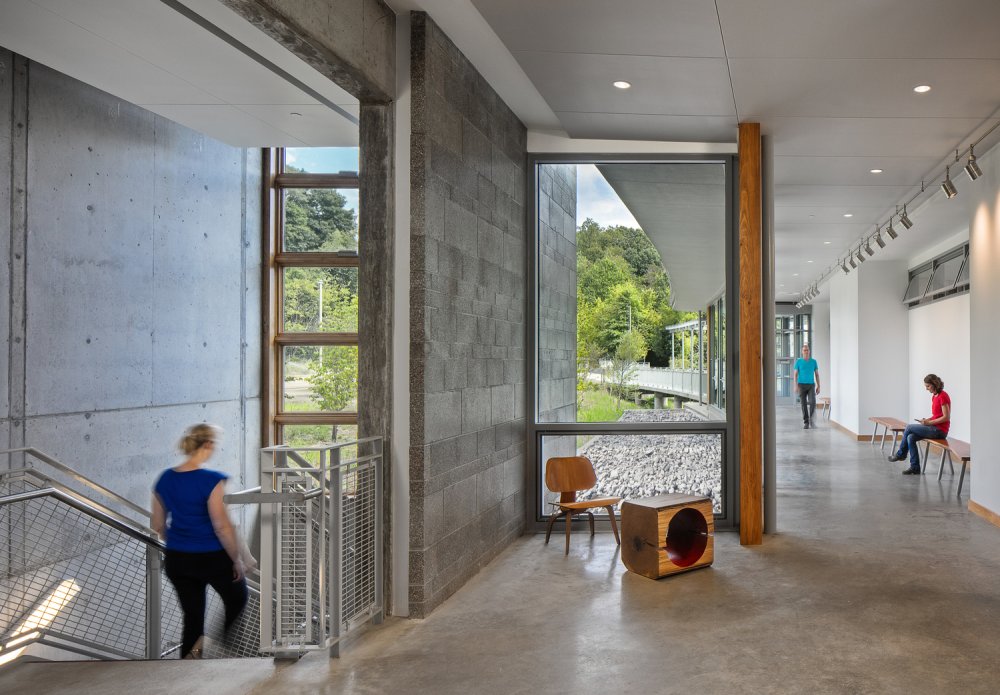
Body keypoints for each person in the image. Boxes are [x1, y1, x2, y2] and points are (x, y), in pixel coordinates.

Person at [151, 424, 247, 659]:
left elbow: (157, 526)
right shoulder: (212, 480)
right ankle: (224, 648)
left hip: (178, 559)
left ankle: (191, 666)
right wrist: (236, 559)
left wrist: (180, 541)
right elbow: (222, 526)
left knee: (192, 618)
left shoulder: (164, 479)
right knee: (238, 598)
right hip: (213, 558)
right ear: (208, 445)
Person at [889, 374, 951, 475]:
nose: (926, 389)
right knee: (910, 437)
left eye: (928, 386)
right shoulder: (934, 397)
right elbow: (936, 415)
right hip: (933, 428)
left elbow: (946, 417)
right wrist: (926, 420)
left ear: (934, 384)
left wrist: (929, 423)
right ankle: (915, 467)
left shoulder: (943, 396)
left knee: (909, 427)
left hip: (940, 431)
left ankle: (901, 454)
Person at [793, 344, 821, 429]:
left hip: (811, 385)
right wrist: (795, 385)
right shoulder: (798, 362)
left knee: (812, 402)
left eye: (807, 350)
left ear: (809, 351)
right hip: (801, 385)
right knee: (803, 404)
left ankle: (812, 422)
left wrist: (819, 386)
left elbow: (816, 374)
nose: (806, 351)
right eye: (804, 350)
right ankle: (806, 422)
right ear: (802, 352)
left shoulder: (814, 362)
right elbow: (795, 375)